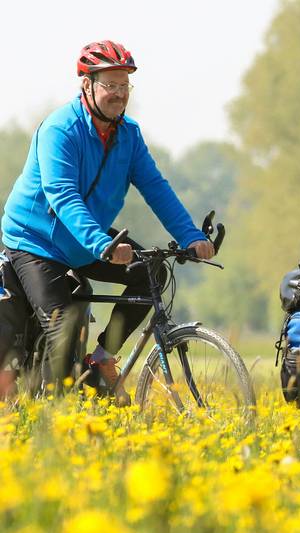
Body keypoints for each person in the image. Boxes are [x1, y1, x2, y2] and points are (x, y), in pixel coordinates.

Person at [1, 40, 215, 402]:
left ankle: (101, 360)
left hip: (87, 238)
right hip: (37, 241)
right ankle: (52, 414)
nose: (119, 93)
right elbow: (62, 195)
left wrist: (190, 236)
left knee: (151, 273)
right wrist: (102, 244)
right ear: (87, 85)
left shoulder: (128, 134)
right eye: (110, 85)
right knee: (62, 327)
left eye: (124, 85)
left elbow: (155, 188)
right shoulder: (60, 130)